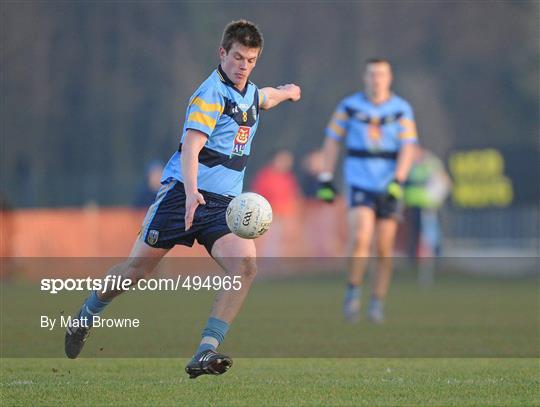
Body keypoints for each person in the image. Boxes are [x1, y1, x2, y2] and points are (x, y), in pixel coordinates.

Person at [64, 20, 301, 378]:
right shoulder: (210, 95)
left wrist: (287, 92)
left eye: (251, 60)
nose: (243, 66)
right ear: (222, 53)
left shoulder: (248, 91)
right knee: (135, 272)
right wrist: (191, 194)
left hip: (223, 206)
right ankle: (86, 313)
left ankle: (205, 351)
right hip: (181, 195)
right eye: (237, 57)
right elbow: (192, 148)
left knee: (245, 267)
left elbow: (262, 97)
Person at [317, 58, 417, 323]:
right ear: (365, 77)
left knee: (384, 247)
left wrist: (399, 178)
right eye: (372, 74)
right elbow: (332, 140)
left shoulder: (402, 109)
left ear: (390, 77)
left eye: (381, 74)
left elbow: (408, 147)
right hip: (360, 182)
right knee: (361, 236)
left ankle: (377, 302)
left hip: (389, 184)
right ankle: (353, 290)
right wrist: (325, 177)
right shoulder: (349, 106)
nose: (377, 79)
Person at [251, 149, 302, 256]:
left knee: (285, 244)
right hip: (270, 217)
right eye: (282, 160)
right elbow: (258, 196)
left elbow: (293, 196)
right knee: (270, 244)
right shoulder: (265, 176)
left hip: (286, 216)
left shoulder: (288, 177)